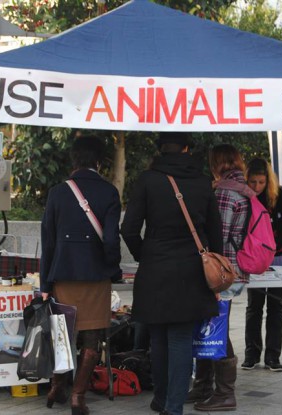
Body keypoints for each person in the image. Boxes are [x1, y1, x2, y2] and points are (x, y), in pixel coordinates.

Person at [121, 132, 222, 415]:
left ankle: (161, 399)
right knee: (180, 337)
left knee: (157, 336)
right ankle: (173, 405)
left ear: (162, 150)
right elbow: (215, 233)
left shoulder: (147, 181)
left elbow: (128, 229)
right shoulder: (203, 183)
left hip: (155, 268)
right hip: (192, 269)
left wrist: (146, 254)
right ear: (187, 149)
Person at [40, 135, 122, 415]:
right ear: (99, 161)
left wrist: (45, 283)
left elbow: (47, 242)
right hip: (96, 276)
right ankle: (78, 396)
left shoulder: (57, 192)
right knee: (91, 337)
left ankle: (56, 385)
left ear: (74, 160)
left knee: (63, 334)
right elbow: (111, 239)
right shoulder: (109, 192)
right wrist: (114, 267)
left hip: (63, 275)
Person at [186, 144, 250, 412]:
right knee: (209, 322)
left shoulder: (225, 192)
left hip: (221, 273)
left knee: (216, 327)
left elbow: (219, 238)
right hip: (234, 269)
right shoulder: (243, 188)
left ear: (217, 164)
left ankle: (224, 392)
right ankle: (204, 385)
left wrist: (210, 273)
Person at [242, 158, 282, 372]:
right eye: (253, 182)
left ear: (269, 181)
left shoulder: (280, 195)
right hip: (254, 259)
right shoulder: (245, 198)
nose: (256, 187)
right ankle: (251, 354)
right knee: (254, 306)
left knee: (276, 306)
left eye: (261, 182)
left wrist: (273, 247)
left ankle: (273, 356)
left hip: (278, 258)